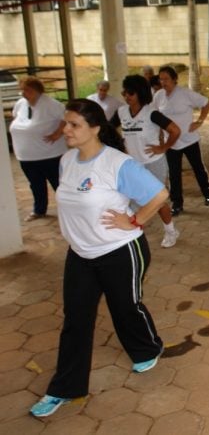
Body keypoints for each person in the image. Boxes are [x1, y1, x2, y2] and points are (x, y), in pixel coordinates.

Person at [28, 99, 166, 418]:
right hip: (80, 254)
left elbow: (159, 195)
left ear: (95, 128)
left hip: (121, 251)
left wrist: (134, 220)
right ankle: (64, 388)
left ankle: (148, 348)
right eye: (66, 123)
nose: (66, 130)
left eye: (74, 124)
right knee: (76, 321)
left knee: (126, 308)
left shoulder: (117, 164)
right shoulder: (66, 161)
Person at [113, 75, 182, 248]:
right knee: (129, 200)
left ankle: (171, 231)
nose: (126, 96)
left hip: (154, 163)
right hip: (133, 165)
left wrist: (164, 147)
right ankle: (131, 230)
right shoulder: (121, 112)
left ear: (141, 93)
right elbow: (106, 129)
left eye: (131, 93)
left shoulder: (151, 113)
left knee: (157, 201)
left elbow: (175, 130)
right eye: (124, 92)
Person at [153, 65, 209, 216]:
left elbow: (206, 103)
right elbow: (155, 116)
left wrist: (199, 121)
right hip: (171, 142)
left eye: (166, 79)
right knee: (174, 173)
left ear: (174, 79)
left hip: (189, 140)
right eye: (161, 79)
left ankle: (207, 194)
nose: (163, 82)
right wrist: (160, 134)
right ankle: (177, 203)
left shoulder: (185, 93)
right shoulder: (159, 96)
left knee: (198, 168)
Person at [9, 77, 67, 222]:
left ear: (38, 91)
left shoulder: (51, 104)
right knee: (36, 184)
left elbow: (66, 118)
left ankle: (68, 210)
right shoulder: (20, 104)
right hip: (26, 156)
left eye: (28, 90)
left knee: (58, 184)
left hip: (50, 155)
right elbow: (15, 117)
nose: (24, 93)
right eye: (22, 90)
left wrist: (57, 133)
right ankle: (39, 210)